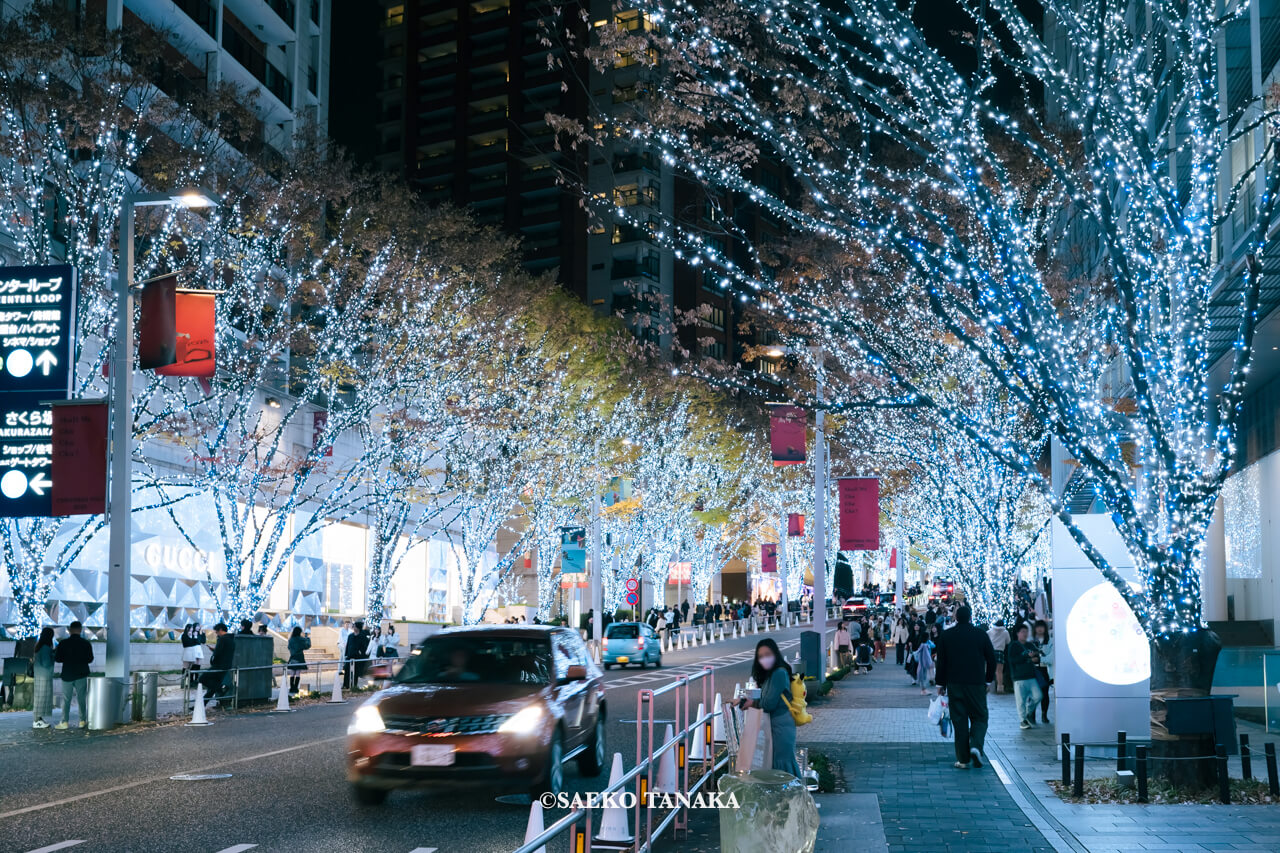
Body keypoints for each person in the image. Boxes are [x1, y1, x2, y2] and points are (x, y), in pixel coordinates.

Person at [935, 605, 997, 769]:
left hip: (954, 684)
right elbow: (992, 659)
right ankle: (976, 746)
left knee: (959, 720)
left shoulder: (947, 636)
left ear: (956, 617)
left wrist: (940, 684)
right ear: (970, 617)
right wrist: (988, 680)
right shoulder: (980, 634)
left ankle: (963, 759)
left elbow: (941, 662)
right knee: (980, 717)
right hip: (976, 684)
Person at [739, 638, 801, 777]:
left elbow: (768, 704)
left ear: (775, 654)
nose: (764, 659)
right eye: (761, 656)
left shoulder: (779, 673)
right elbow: (763, 696)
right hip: (774, 725)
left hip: (781, 727)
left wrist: (752, 703)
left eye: (767, 654)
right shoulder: (770, 674)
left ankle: (795, 797)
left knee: (783, 766)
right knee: (778, 766)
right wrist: (741, 699)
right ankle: (787, 797)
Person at [53, 621, 93, 729]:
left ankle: (65, 722)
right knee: (81, 698)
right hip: (81, 673)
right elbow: (90, 659)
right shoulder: (86, 643)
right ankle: (82, 721)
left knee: (66, 699)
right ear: (80, 630)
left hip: (67, 674)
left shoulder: (63, 643)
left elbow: (58, 659)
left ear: (70, 630)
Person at [1007, 623, 1043, 729]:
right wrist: (1027, 656)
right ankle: (1022, 721)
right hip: (1019, 677)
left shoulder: (1030, 645)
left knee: (1038, 696)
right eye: (1023, 632)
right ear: (1018, 633)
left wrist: (1036, 658)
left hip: (1031, 676)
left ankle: (1028, 712)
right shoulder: (1013, 645)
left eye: (1026, 632)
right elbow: (1012, 660)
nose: (1025, 634)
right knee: (1020, 700)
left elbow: (1038, 655)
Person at [201, 623, 236, 703]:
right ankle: (202, 704)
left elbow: (218, 653)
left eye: (216, 632)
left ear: (220, 630)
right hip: (226, 665)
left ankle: (221, 689)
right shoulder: (231, 639)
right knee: (213, 686)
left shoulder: (222, 639)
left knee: (202, 678)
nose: (216, 634)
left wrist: (214, 653)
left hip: (219, 665)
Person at [31, 626, 55, 729]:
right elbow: (46, 663)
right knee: (41, 699)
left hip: (39, 674)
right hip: (44, 676)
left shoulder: (39, 646)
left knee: (38, 698)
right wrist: (53, 655)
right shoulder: (45, 648)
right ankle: (37, 721)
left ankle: (38, 720)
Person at [1033, 619, 1054, 724]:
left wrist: (1040, 659)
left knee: (1044, 694)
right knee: (1032, 693)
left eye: (1042, 627)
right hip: (1033, 670)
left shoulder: (1050, 642)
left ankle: (1044, 714)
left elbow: (1051, 658)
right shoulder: (1031, 641)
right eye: (1038, 627)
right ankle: (1031, 716)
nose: (1040, 629)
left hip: (1045, 670)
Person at [986, 619, 1010, 694]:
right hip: (1000, 652)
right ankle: (1000, 688)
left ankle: (987, 687)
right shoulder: (1005, 632)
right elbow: (1008, 641)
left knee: (988, 670)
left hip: (990, 652)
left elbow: (986, 639)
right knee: (999, 672)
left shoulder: (990, 631)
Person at [344, 620, 370, 689]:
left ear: (358, 628)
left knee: (355, 672)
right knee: (347, 671)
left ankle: (354, 685)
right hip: (349, 656)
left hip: (357, 657)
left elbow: (364, 647)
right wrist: (346, 654)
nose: (353, 627)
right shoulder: (350, 636)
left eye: (355, 626)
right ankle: (346, 685)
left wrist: (361, 654)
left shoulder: (362, 636)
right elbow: (348, 645)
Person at [287, 626, 310, 695]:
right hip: (299, 657)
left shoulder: (291, 639)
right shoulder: (301, 639)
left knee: (292, 673)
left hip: (292, 657)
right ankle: (296, 688)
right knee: (298, 673)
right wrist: (308, 639)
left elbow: (289, 647)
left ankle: (291, 688)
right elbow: (307, 646)